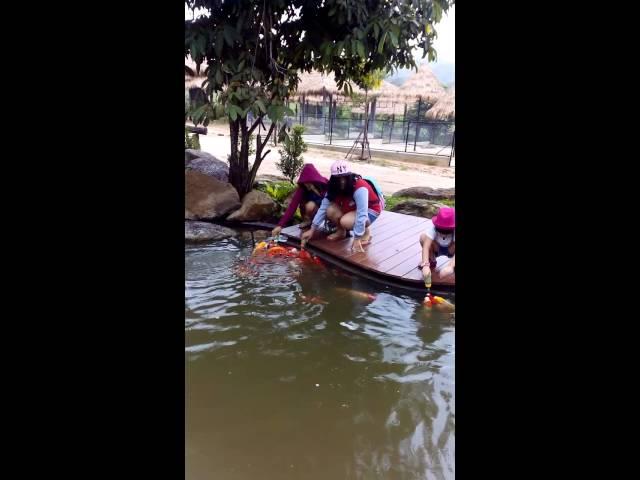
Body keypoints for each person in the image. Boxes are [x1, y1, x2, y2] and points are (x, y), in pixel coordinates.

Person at [300, 160, 382, 253]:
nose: (342, 181)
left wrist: (357, 238)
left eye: (345, 177)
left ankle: (365, 231)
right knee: (330, 209)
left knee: (346, 222)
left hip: (370, 209)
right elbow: (323, 207)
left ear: (349, 176)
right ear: (334, 178)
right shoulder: (333, 187)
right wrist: (312, 229)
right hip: (352, 207)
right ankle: (341, 232)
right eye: (338, 178)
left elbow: (362, 213)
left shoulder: (360, 187)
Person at [271, 163, 328, 238]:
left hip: (325, 209)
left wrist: (315, 191)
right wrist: (280, 225)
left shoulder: (325, 183)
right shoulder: (302, 188)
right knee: (309, 206)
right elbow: (292, 207)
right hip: (311, 211)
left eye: (308, 182)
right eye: (305, 183)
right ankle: (308, 220)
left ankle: (332, 225)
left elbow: (330, 201)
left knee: (325, 207)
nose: (306, 185)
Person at [418, 206, 456, 279]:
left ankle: (453, 264)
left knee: (452, 265)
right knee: (423, 237)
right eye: (441, 229)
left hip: (451, 249)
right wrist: (425, 265)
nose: (443, 233)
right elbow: (426, 247)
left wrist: (450, 266)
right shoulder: (433, 228)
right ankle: (432, 260)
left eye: (447, 230)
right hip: (437, 248)